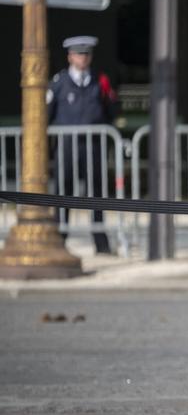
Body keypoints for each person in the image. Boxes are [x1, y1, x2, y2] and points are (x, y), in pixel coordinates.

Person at [47, 36, 118, 254]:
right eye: (79, 54)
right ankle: (60, 239)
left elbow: (111, 111)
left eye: (86, 54)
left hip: (93, 146)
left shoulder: (99, 81)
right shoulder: (59, 82)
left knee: (96, 193)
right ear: (70, 57)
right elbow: (47, 114)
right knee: (63, 192)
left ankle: (100, 242)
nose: (83, 58)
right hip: (67, 146)